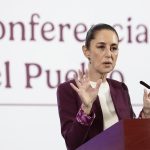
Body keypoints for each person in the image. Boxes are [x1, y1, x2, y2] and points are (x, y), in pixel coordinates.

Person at [57, 23, 150, 150]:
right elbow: (72, 144)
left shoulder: (120, 88)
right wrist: (86, 109)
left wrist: (146, 111)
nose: (108, 54)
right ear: (86, 51)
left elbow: (131, 135)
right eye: (101, 47)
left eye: (114, 48)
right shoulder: (69, 89)